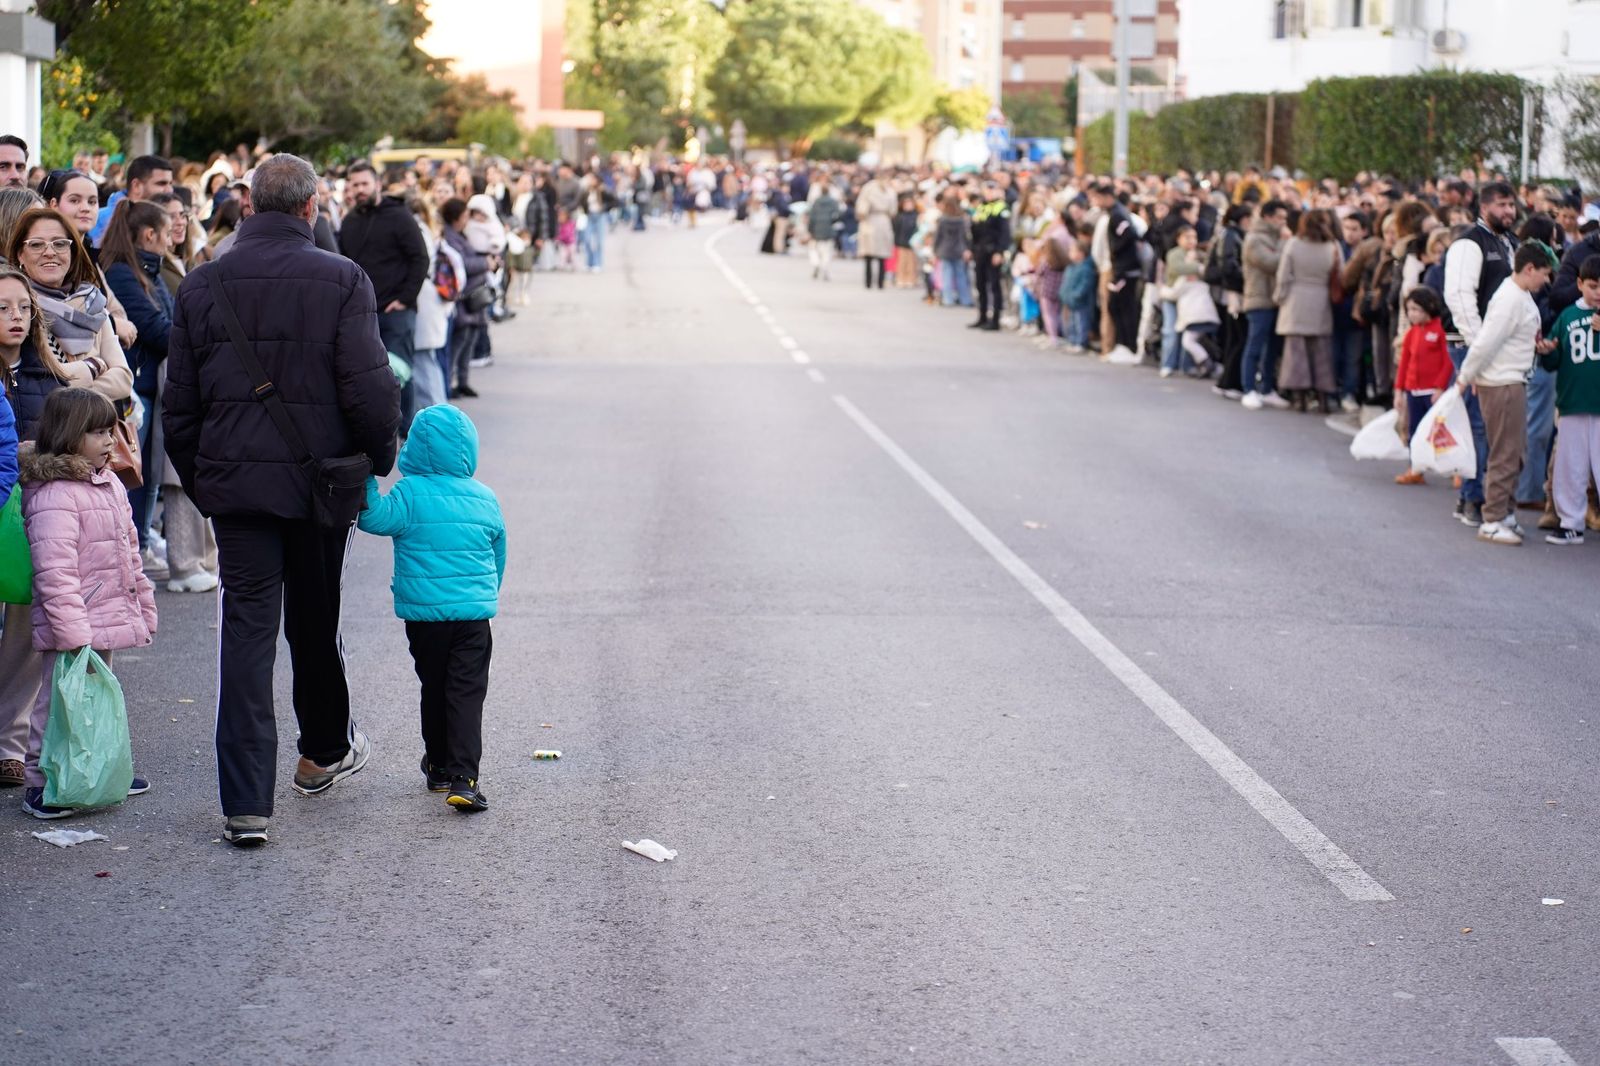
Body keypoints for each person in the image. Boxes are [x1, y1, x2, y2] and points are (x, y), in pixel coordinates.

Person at [163, 154, 401, 847]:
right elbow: (370, 388)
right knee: (315, 617)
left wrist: (207, 485)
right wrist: (376, 460)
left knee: (246, 634)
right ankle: (321, 751)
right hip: (320, 482)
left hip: (238, 489)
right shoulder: (342, 278)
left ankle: (246, 803)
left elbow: (181, 407)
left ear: (247, 206)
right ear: (311, 207)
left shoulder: (203, 282)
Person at [357, 404, 505, 812]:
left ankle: (438, 766)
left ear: (416, 448)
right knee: (466, 694)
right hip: (473, 619)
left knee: (435, 688)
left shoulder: (409, 494)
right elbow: (498, 551)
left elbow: (374, 519)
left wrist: (366, 477)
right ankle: (465, 779)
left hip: (425, 620)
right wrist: (485, 593)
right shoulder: (485, 498)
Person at [17, 387, 156, 819]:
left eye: (111, 431)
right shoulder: (54, 493)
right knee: (55, 701)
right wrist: (73, 632)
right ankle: (39, 782)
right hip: (73, 621)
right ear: (69, 434)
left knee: (97, 696)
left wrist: (142, 600)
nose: (110, 440)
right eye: (98, 433)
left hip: (106, 611)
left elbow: (129, 550)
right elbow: (54, 572)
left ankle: (100, 768)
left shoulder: (108, 482)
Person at [1456, 243, 1556, 546]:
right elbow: (1486, 342)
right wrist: (1465, 377)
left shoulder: (1517, 295)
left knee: (1514, 452)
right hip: (1502, 383)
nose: (1546, 281)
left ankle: (1505, 513)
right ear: (1529, 269)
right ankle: (1493, 519)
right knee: (1505, 454)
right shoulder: (1511, 298)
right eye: (1544, 274)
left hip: (1510, 380)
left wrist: (1536, 346)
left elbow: (1506, 338)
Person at [1443, 182, 1520, 527]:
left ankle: (1480, 495)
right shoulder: (1468, 243)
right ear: (1484, 206)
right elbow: (1460, 298)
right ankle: (1472, 497)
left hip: (1500, 347)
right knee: (1478, 423)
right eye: (1502, 204)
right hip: (1469, 345)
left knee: (1493, 427)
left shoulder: (1510, 242)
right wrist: (1478, 349)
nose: (1509, 211)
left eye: (1512, 205)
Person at [339, 162, 429, 434]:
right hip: (365, 312)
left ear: (377, 184)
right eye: (355, 184)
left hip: (397, 311)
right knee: (372, 375)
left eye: (364, 183)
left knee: (400, 373)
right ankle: (383, 434)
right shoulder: (350, 222)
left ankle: (408, 434)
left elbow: (420, 258)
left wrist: (405, 299)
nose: (360, 189)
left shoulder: (400, 216)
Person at [1538, 256, 1600, 545]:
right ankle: (1571, 522)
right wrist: (1547, 351)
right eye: (1593, 286)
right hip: (1572, 402)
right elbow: (1553, 361)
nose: (1598, 293)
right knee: (1570, 465)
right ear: (1579, 284)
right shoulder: (1567, 316)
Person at [1275, 208, 1342, 412]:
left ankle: (1300, 398)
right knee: (1321, 353)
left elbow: (1283, 275)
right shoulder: (1332, 246)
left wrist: (1279, 297)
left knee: (1296, 353)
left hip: (1296, 299)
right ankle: (1323, 398)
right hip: (1321, 300)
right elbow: (1340, 273)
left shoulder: (1294, 244)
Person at [1393, 286, 1452, 485]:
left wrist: (1440, 387)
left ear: (1429, 308)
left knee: (1441, 432)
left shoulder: (1440, 329)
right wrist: (1399, 391)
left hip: (1432, 392)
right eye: (1409, 309)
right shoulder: (1411, 333)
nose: (1412, 314)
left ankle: (1456, 469)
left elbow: (1448, 362)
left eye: (1416, 309)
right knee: (1415, 431)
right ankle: (1415, 468)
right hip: (1414, 391)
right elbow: (1404, 364)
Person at [439, 197, 491, 400]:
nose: (467, 219)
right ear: (456, 218)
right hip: (464, 297)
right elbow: (463, 264)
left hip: (472, 297)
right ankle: (450, 383)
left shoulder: (460, 235)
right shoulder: (451, 237)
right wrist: (486, 263)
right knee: (459, 341)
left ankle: (462, 381)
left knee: (468, 340)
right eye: (465, 216)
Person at [1240, 200, 1290, 409]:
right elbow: (1272, 263)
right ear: (1267, 217)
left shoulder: (1278, 238)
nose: (1283, 222)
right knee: (1255, 346)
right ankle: (1248, 389)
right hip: (1259, 299)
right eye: (1279, 217)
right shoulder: (1254, 239)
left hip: (1277, 300)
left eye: (1285, 218)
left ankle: (1267, 388)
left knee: (1272, 349)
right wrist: (1285, 243)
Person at [970, 180, 1012, 332]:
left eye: (991, 190)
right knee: (980, 285)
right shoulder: (981, 207)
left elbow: (1005, 233)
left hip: (993, 251)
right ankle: (982, 316)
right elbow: (974, 231)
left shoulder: (1001, 208)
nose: (988, 193)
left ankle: (995, 320)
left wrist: (999, 252)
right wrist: (971, 249)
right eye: (986, 190)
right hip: (980, 251)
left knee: (994, 286)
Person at [855, 172, 896, 290]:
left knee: (875, 255)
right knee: (874, 255)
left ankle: (874, 282)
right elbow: (893, 210)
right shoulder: (877, 189)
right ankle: (877, 282)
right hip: (876, 221)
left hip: (874, 221)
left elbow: (861, 208)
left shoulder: (873, 189)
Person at [933, 189, 972, 308]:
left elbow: (938, 236)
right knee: (961, 276)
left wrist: (935, 250)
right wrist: (967, 248)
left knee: (947, 276)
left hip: (945, 250)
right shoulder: (961, 219)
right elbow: (965, 237)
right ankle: (965, 299)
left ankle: (948, 299)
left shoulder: (943, 220)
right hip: (959, 250)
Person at [1061, 236, 1097, 353]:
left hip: (1081, 302)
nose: (1070, 253)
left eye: (1072, 251)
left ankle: (1081, 343)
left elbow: (1085, 285)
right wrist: (1063, 294)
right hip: (1070, 301)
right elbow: (1065, 283)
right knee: (1071, 323)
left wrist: (1076, 295)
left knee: (1081, 323)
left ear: (1081, 253)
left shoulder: (1086, 268)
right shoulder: (1070, 267)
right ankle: (1073, 341)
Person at [807, 184, 841, 281]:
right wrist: (832, 222)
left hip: (817, 228)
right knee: (827, 250)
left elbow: (812, 217)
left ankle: (816, 263)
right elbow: (838, 214)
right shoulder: (833, 202)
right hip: (828, 228)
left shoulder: (816, 202)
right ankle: (825, 267)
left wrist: (810, 229)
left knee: (814, 248)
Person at [892, 194, 920, 289]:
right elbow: (896, 230)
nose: (908, 206)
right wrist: (896, 241)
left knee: (912, 262)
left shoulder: (917, 215)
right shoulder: (899, 217)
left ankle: (911, 279)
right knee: (902, 262)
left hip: (913, 243)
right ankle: (901, 278)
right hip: (902, 242)